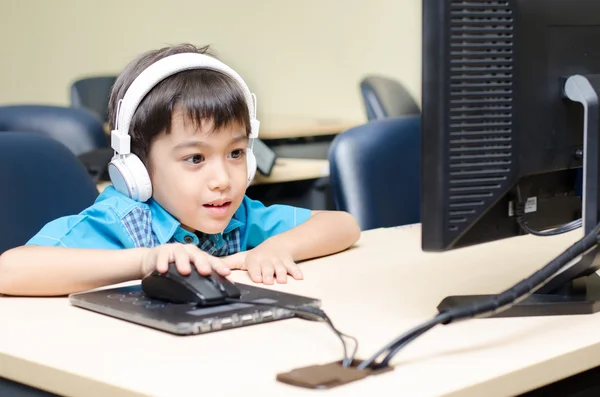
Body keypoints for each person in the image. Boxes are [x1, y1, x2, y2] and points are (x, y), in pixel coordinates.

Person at [0, 44, 361, 296]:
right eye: (195, 159)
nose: (222, 180)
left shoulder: (239, 217)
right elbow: (11, 270)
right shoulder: (119, 223)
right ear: (136, 168)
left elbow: (343, 225)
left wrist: (273, 249)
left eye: (235, 153)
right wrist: (147, 260)